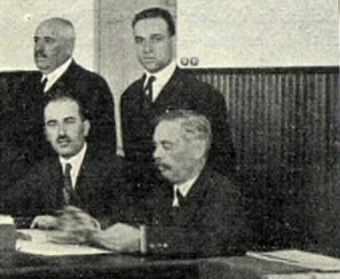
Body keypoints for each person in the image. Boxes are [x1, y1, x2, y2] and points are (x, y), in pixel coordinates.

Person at [92, 110, 250, 257]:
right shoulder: (161, 188)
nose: (156, 154)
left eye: (166, 146)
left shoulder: (223, 192)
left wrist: (144, 240)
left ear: (198, 149)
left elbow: (210, 241)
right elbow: (131, 218)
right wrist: (95, 225)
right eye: (156, 146)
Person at [120, 7, 236, 197]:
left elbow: (221, 162)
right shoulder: (129, 96)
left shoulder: (203, 94)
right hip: (144, 206)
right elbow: (133, 165)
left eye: (156, 39)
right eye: (139, 41)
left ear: (172, 41)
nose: (147, 49)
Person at [1, 95, 125, 227]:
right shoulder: (42, 170)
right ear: (46, 134)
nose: (61, 133)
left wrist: (91, 224)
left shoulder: (115, 167)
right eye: (52, 124)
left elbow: (129, 218)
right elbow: (8, 204)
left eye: (69, 121)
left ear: (86, 127)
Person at [4, 18, 115, 164]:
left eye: (48, 41)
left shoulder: (91, 85)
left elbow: (102, 149)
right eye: (37, 40)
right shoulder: (25, 86)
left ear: (69, 47)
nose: (39, 48)